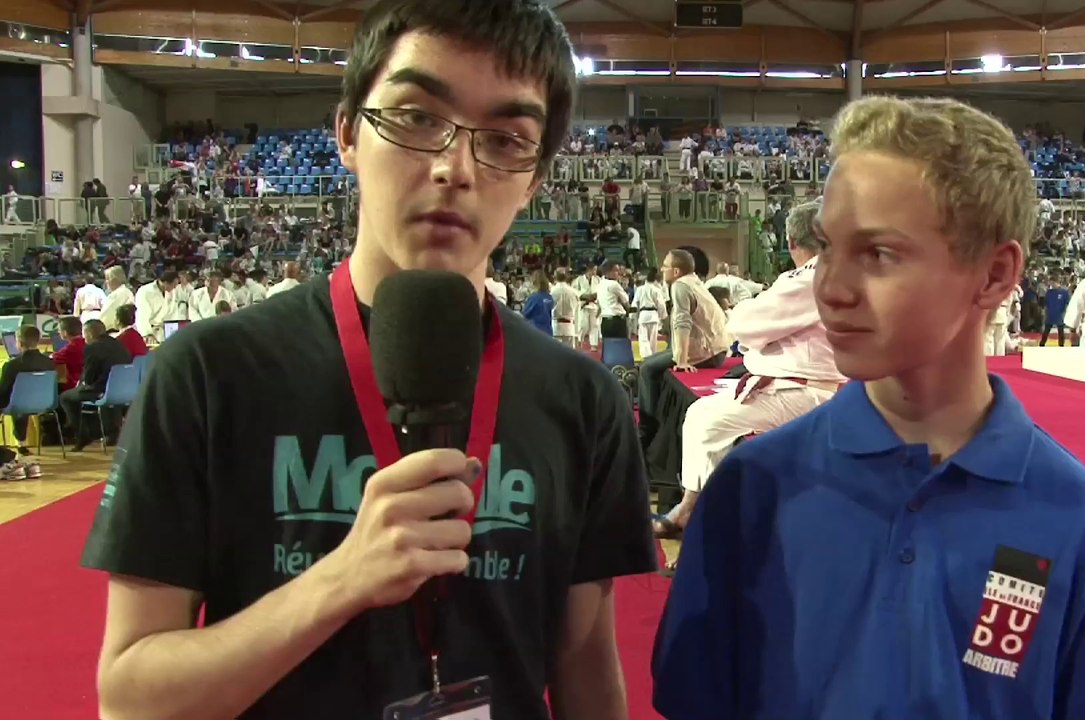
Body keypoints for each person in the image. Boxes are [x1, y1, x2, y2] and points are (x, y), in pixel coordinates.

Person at [80, 3, 654, 720]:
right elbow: (131, 700)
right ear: (348, 132)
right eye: (417, 117)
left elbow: (585, 672)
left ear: (535, 177)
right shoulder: (208, 373)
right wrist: (340, 581)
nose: (455, 168)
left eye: (507, 139)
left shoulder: (582, 398)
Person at [652, 96, 1085, 719]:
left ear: (994, 275)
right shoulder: (752, 491)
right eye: (828, 250)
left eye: (879, 254)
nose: (833, 289)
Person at [654, 200, 841, 551]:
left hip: (805, 392)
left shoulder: (813, 274)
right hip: (811, 385)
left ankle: (704, 520)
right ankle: (692, 508)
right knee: (702, 416)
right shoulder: (838, 269)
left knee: (707, 422)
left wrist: (765, 337)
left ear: (790, 242)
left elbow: (743, 324)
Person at [637, 249, 731, 446]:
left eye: (665, 266)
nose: (662, 270)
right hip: (716, 349)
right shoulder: (694, 282)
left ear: (677, 272)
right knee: (651, 362)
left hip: (705, 351)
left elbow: (682, 322)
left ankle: (647, 428)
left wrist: (681, 359)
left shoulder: (680, 286)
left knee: (646, 369)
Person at [60, 318, 131, 450]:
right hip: (123, 391)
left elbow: (89, 378)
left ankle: (83, 434)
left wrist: (81, 383)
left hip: (102, 390)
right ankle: (105, 431)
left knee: (65, 397)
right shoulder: (119, 345)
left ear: (89, 333)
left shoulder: (92, 348)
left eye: (84, 333)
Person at [0, 323, 54, 464]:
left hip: (18, 405)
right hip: (45, 403)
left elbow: (4, 391)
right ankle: (21, 444)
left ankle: (19, 444)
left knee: (14, 400)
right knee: (20, 399)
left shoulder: (12, 365)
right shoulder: (49, 363)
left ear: (18, 341)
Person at [632, 267, 668, 358]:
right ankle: (652, 356)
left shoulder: (640, 289)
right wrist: (663, 317)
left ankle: (646, 356)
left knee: (643, 338)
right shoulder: (657, 290)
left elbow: (635, 304)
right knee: (653, 339)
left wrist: (632, 316)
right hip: (654, 315)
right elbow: (661, 305)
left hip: (643, 314)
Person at [520, 269, 554, 335]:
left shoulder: (533, 298)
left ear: (534, 282)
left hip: (535, 331)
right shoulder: (549, 297)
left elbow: (524, 314)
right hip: (548, 331)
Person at [1039, 274, 1070, 347]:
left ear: (1057, 282)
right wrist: (1045, 312)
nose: (1051, 284)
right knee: (1046, 330)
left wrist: (1065, 312)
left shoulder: (1064, 292)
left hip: (1060, 314)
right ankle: (1042, 344)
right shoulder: (1049, 292)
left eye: (1053, 283)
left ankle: (1061, 345)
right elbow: (1046, 303)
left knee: (1060, 331)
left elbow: (1067, 303)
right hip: (1050, 314)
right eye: (1050, 283)